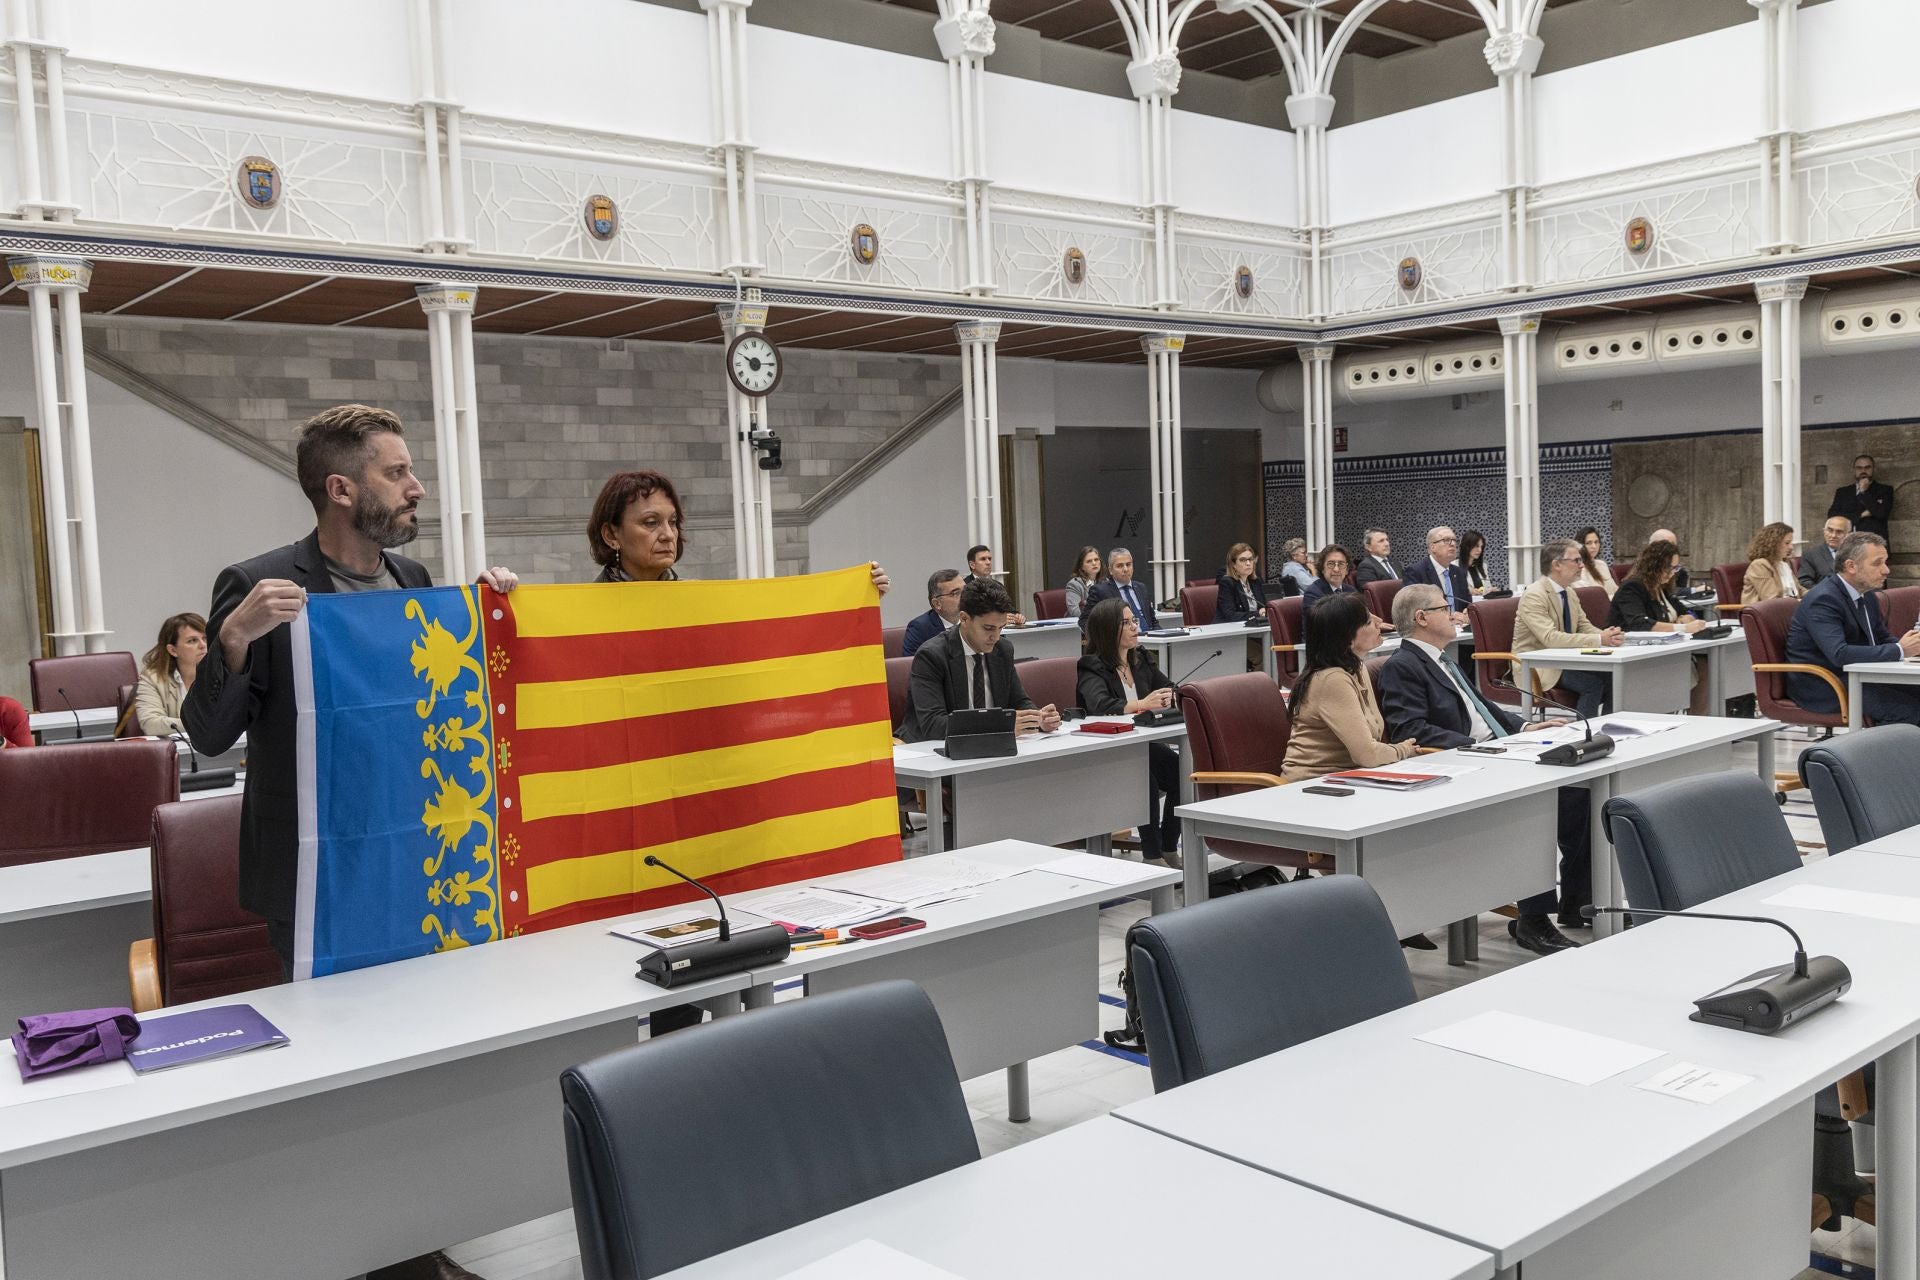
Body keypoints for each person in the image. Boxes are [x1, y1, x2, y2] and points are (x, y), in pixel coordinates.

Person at [183, 404, 518, 1280]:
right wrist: (233, 641)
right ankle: (367, 1256)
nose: (415, 488)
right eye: (397, 472)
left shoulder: (413, 578)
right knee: (349, 1087)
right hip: (317, 879)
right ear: (342, 488)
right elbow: (211, 736)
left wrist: (491, 619)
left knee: (423, 1074)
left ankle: (421, 1244)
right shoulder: (258, 583)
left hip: (416, 865)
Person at [586, 467, 888, 1040]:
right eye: (649, 522)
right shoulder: (579, 615)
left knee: (709, 943)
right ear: (610, 535)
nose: (667, 534)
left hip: (705, 803)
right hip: (633, 809)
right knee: (642, 951)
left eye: (673, 522)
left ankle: (723, 1045)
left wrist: (855, 596)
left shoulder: (705, 606)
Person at [1378, 585, 1589, 953]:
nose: (1455, 614)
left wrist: (1523, 727)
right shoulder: (1403, 666)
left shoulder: (1444, 658)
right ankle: (1533, 920)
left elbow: (1480, 709)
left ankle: (1575, 903)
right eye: (1445, 608)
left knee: (1578, 791)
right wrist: (1478, 747)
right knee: (1536, 802)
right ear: (1421, 618)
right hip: (1462, 764)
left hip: (1494, 752)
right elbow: (1410, 730)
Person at [1077, 597, 1180, 863]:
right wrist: (1142, 704)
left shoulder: (1141, 658)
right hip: (1109, 748)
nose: (1135, 626)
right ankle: (1152, 854)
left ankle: (1169, 846)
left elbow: (1167, 685)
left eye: (1134, 620)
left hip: (1142, 742)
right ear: (1108, 629)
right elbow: (1099, 704)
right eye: (1126, 622)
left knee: (1182, 773)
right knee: (1144, 777)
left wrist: (1169, 696)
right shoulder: (1092, 665)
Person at [900, 577, 1062, 741]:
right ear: (964, 619)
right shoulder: (931, 655)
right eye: (988, 628)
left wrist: (1038, 719)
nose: (996, 637)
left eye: (1001, 628)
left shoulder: (1003, 649)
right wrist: (998, 725)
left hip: (991, 748)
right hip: (933, 751)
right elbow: (934, 724)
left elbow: (1019, 701)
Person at [1787, 532, 1920, 726]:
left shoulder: (1867, 594)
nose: (1886, 570)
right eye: (1877, 563)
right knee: (1908, 711)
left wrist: (1913, 650)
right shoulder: (1823, 600)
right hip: (1826, 685)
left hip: (1861, 676)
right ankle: (1887, 756)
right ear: (1851, 566)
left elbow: (1881, 637)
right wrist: (1900, 650)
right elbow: (1839, 654)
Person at [1515, 538, 1625, 717]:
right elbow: (1550, 638)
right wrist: (1599, 639)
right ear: (1557, 564)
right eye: (1576, 560)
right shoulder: (1534, 594)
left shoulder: (1569, 592)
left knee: (1614, 678)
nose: (1582, 565)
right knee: (1592, 684)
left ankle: (1608, 730)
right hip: (1539, 666)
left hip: (1566, 659)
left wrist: (1608, 636)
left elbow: (1584, 626)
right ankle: (1585, 737)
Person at [131, 612, 208, 738]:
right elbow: (151, 724)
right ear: (173, 650)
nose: (203, 645)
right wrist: (202, 724)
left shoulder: (221, 674)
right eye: (192, 640)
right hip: (175, 752)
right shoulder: (153, 679)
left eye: (205, 638)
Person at [1302, 544, 1393, 631]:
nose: (1336, 569)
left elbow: (1362, 619)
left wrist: (1372, 624)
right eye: (1331, 564)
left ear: (1347, 570)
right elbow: (1327, 626)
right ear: (1322, 568)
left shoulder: (1351, 591)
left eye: (1341, 564)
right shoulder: (1313, 593)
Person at [1400, 526, 1471, 623]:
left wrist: (1467, 612)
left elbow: (1467, 603)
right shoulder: (1415, 572)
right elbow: (1413, 608)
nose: (1453, 544)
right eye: (1446, 540)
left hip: (1459, 627)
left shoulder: (1459, 572)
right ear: (1433, 547)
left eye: (1454, 540)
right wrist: (1447, 618)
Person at [1080, 546, 1152, 631]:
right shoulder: (1100, 591)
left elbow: (1152, 620)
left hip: (1149, 639)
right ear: (1110, 570)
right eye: (1120, 566)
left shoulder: (1141, 588)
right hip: (1118, 641)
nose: (1125, 569)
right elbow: (1084, 621)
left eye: (1128, 564)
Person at [1829, 454, 1893, 540]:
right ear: (1854, 470)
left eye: (1867, 467)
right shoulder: (1842, 492)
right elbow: (1832, 515)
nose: (1863, 471)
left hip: (1875, 544)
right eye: (1859, 468)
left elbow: (1881, 513)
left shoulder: (1885, 490)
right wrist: (1861, 515)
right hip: (1847, 544)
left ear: (1873, 469)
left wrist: (1863, 492)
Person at [904, 569, 963, 657]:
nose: (965, 595)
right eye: (956, 593)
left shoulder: (975, 620)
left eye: (966, 589)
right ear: (937, 603)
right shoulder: (920, 628)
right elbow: (911, 665)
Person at [1742, 522, 1802, 604]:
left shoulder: (1783, 564)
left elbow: (1799, 590)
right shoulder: (1759, 565)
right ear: (1773, 544)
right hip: (1766, 613)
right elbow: (1771, 599)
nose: (1791, 547)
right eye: (1787, 543)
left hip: (1788, 608)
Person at [964, 545, 1024, 624]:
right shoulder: (964, 586)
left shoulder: (998, 585)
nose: (988, 562)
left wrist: (1017, 617)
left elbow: (1010, 610)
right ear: (972, 565)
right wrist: (998, 619)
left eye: (989, 559)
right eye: (983, 559)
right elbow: (969, 615)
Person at [1214, 542, 1268, 623]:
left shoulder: (1256, 581)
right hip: (1229, 630)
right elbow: (1230, 616)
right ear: (1233, 564)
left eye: (1250, 559)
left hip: (1254, 627)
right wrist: (1257, 614)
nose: (1248, 563)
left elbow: (1263, 607)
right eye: (1243, 560)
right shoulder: (1227, 583)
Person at [1799, 515, 1851, 590]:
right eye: (1830, 530)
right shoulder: (1811, 555)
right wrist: (1825, 593)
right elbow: (1804, 582)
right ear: (1824, 531)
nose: (1833, 535)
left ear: (1848, 535)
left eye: (1839, 532)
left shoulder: (1856, 554)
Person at [1574, 527, 1616, 599]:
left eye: (1596, 542)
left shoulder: (1602, 564)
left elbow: (1615, 590)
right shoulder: (1576, 568)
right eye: (1588, 543)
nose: (1594, 546)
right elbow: (1589, 597)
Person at [1064, 545, 1103, 618]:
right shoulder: (1074, 584)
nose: (1094, 563)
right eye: (1089, 561)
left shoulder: (1105, 582)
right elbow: (1075, 612)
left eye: (1096, 559)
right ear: (1081, 566)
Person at [1457, 529, 1493, 596]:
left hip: (1482, 604)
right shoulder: (1453, 566)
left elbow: (1486, 588)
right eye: (1476, 546)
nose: (1480, 550)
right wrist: (1468, 591)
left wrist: (1491, 591)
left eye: (1481, 547)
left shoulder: (1483, 566)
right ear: (1467, 546)